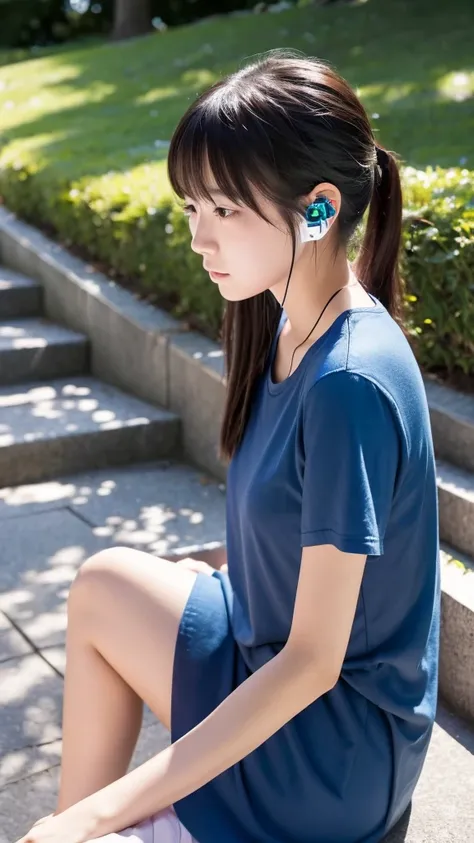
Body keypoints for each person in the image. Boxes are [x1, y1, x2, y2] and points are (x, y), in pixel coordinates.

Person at [17, 51, 440, 843]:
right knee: (106, 585)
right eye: (190, 208)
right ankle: (73, 828)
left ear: (318, 213)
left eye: (223, 210)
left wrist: (108, 810)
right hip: (283, 663)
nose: (199, 237)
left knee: (97, 807)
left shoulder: (349, 380)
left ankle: (86, 825)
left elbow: (315, 661)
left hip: (333, 750)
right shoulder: (289, 320)